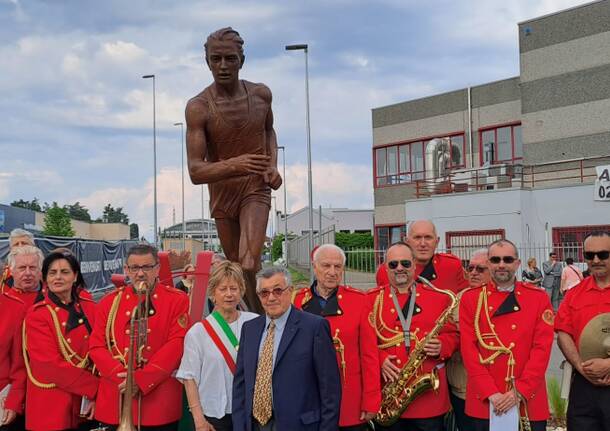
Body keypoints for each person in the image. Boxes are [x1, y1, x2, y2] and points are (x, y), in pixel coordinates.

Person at [186, 27, 282, 314]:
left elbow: (269, 131)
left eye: (230, 58)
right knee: (238, 268)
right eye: (216, 59)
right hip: (222, 192)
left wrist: (272, 165)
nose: (223, 66)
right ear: (207, 62)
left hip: (254, 187)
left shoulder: (261, 94)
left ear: (242, 60)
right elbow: (195, 171)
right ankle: (257, 319)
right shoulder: (198, 108)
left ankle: (269, 323)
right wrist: (236, 164)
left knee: (249, 261)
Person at [89, 244, 190, 430]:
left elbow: (177, 344)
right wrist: (123, 379)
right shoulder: (108, 302)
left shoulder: (177, 300)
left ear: (158, 268)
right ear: (126, 270)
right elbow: (96, 346)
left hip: (158, 404)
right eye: (134, 268)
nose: (141, 274)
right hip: (115, 400)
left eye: (147, 267)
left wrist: (141, 380)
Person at [460, 239, 554, 431]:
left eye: (507, 259)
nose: (501, 264)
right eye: (495, 260)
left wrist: (519, 392)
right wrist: (491, 393)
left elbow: (542, 350)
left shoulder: (538, 298)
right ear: (488, 263)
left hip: (527, 398)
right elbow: (469, 350)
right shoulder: (471, 299)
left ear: (517, 264)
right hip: (486, 399)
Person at [232, 266, 341, 431]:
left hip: (299, 425)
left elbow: (330, 390)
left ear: (290, 291)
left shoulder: (314, 327)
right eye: (264, 293)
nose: (271, 298)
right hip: (255, 425)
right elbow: (240, 385)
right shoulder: (250, 329)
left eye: (277, 291)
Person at [369, 242, 458, 430]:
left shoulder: (439, 298)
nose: (399, 268)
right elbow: (362, 342)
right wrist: (379, 358)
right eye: (393, 264)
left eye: (405, 263)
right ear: (386, 268)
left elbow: (453, 335)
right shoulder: (370, 299)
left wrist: (443, 345)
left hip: (429, 403)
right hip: (389, 396)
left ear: (414, 265)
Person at [293, 244, 381, 430]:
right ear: (314, 267)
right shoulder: (296, 302)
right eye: (326, 266)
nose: (332, 272)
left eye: (338, 266)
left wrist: (371, 400)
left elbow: (369, 355)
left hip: (349, 402)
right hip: (308, 399)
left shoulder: (359, 301)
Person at [177, 261, 257, 431]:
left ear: (241, 291)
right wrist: (199, 420)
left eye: (234, 288)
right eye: (223, 289)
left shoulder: (254, 323)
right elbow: (189, 378)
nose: (229, 294)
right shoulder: (198, 332)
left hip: (249, 413)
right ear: (213, 293)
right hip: (213, 416)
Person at [23, 251, 98, 431]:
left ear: (75, 276)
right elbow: (49, 366)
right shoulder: (38, 315)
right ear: (45, 278)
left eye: (64, 272)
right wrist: (96, 389)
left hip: (85, 406)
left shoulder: (90, 308)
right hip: (52, 408)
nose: (58, 277)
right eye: (52, 272)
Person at [555, 231, 610, 429]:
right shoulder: (574, 294)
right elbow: (563, 333)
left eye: (603, 254)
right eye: (589, 255)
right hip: (584, 386)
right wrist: (581, 367)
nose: (596, 260)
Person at [0, 245, 44, 430]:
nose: (27, 273)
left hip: (36, 394)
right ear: (11, 270)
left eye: (32, 268)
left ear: (41, 271)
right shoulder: (6, 301)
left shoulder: (52, 300)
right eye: (21, 268)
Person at [447, 249, 490, 431]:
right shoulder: (457, 299)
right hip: (461, 388)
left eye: (480, 269)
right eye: (470, 267)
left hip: (491, 390)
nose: (473, 272)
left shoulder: (499, 299)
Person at [406, 220, 468, 293]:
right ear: (407, 242)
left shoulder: (452, 266)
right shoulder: (394, 269)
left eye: (428, 237)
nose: (423, 244)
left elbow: (466, 299)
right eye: (417, 237)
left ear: (437, 242)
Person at [1, 229, 36, 293]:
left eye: (24, 243)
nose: (20, 246)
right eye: (16, 244)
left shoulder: (45, 271)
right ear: (11, 249)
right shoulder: (3, 273)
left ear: (33, 246)